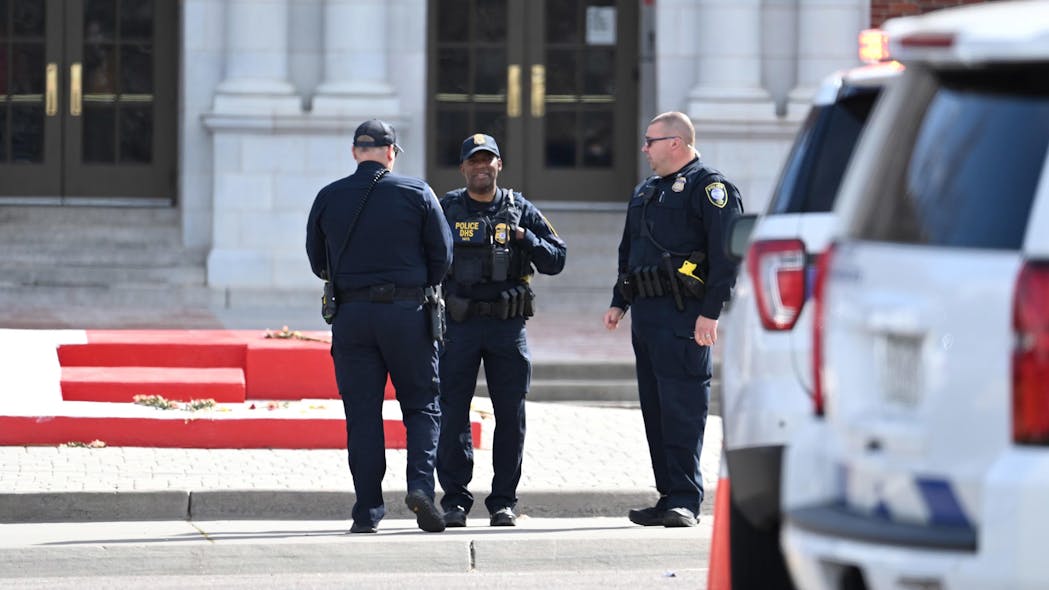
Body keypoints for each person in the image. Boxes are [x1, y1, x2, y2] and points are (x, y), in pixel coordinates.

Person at [305, 119, 454, 534]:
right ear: (391, 152)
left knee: (362, 413)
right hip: (407, 315)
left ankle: (367, 510)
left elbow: (318, 262)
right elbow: (442, 257)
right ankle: (421, 487)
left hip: (352, 317)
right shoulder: (417, 192)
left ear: (355, 153)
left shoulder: (328, 196)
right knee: (422, 405)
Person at [602, 112, 743, 527]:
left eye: (651, 141)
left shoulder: (710, 188)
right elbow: (629, 252)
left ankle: (685, 498)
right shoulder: (646, 190)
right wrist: (619, 302)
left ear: (676, 143)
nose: (645, 148)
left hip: (685, 316)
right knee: (656, 410)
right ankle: (667, 495)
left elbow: (725, 258)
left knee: (683, 409)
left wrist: (710, 313)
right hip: (647, 315)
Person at [436, 133, 567, 527]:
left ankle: (503, 502)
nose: (480, 167)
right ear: (463, 168)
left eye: (487, 160)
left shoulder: (518, 207)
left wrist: (525, 237)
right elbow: (421, 254)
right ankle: (455, 501)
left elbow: (557, 257)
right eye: (473, 161)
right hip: (458, 327)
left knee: (510, 415)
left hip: (507, 328)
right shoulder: (446, 209)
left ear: (499, 165)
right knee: (453, 412)